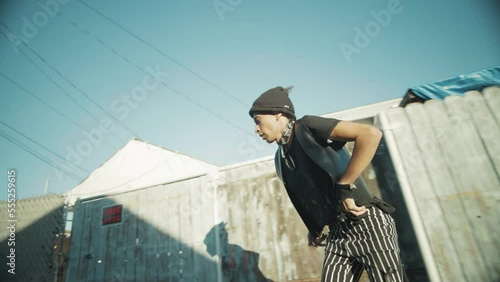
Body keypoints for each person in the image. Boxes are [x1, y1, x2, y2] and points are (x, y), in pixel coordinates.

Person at [249, 86, 408, 281]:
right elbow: (307, 191)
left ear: (277, 114)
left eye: (258, 121)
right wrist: (313, 226)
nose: (256, 129)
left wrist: (345, 186)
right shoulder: (280, 158)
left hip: (367, 222)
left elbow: (370, 134)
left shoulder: (307, 126)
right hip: (337, 233)